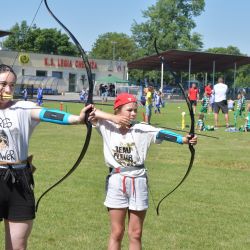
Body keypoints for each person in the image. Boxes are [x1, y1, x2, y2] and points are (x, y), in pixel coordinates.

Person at [0, 64, 93, 250]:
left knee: (18, 246)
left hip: (20, 179)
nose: (8, 90)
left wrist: (77, 119)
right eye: (2, 84)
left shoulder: (23, 107)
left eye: (12, 85)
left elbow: (46, 113)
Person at [89, 93, 197, 250]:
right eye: (129, 110)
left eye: (135, 110)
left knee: (136, 233)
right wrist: (114, 119)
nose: (133, 113)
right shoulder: (106, 125)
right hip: (117, 180)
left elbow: (161, 133)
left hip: (138, 181)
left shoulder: (142, 128)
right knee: (117, 232)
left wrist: (184, 139)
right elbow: (90, 112)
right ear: (118, 109)